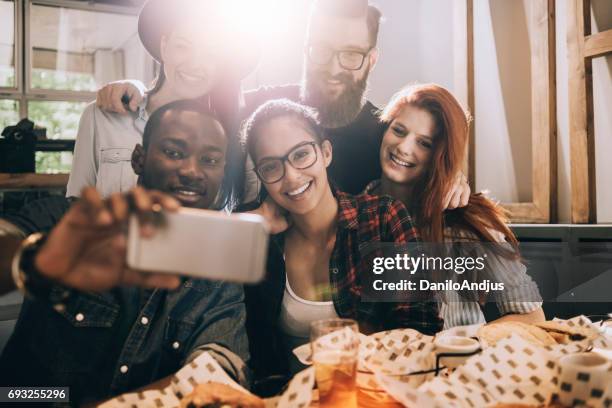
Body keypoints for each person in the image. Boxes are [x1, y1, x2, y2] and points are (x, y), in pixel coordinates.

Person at [94, 0, 471, 205]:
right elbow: (187, 101)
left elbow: (420, 168)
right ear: (305, 48)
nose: (334, 67)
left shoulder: (385, 137)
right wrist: (139, 89)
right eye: (321, 51)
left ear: (372, 59)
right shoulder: (257, 107)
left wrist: (451, 178)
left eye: (351, 55)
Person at [0, 100, 250, 405]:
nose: (191, 171)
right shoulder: (72, 223)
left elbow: (216, 365)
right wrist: (36, 261)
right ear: (139, 159)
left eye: (210, 160)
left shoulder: (218, 271)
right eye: (174, 153)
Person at [240, 99, 442, 381]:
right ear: (261, 177)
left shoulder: (383, 218)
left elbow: (421, 331)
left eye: (300, 155)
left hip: (374, 394)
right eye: (271, 167)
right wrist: (252, 223)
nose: (291, 176)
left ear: (325, 153)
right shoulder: (258, 241)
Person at [364, 84, 544, 328]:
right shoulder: (349, 214)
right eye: (399, 130)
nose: (404, 148)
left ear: (441, 155)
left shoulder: (465, 221)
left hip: (460, 363)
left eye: (424, 143)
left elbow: (531, 317)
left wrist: (463, 343)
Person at [65, 0, 258, 200]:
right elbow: (78, 203)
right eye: (183, 47)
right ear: (164, 46)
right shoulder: (103, 116)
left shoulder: (235, 135)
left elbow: (253, 212)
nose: (194, 63)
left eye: (212, 54)